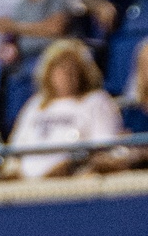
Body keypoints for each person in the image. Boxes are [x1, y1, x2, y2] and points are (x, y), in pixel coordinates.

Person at [8, 37, 125, 178]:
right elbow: (15, 150)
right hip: (27, 185)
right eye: (60, 68)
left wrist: (68, 167)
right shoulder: (35, 104)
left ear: (83, 72)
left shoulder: (96, 101)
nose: (66, 74)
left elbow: (104, 151)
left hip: (72, 181)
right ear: (49, 72)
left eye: (72, 69)